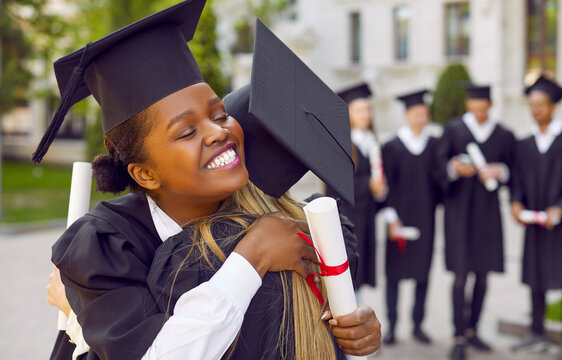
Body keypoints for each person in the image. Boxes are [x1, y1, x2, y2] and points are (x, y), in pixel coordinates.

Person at [39, 2, 381, 359]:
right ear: (145, 173)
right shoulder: (106, 245)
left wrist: (353, 325)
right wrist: (253, 255)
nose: (218, 131)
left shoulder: (268, 209)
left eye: (220, 114)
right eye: (187, 131)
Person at [436, 84, 516, 360]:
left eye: (484, 108)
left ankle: (473, 330)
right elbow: (440, 166)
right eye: (475, 107)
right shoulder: (454, 129)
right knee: (460, 276)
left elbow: (514, 170)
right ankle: (458, 335)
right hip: (459, 213)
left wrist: (500, 170)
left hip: (487, 214)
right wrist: (454, 168)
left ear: (490, 106)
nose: (480, 113)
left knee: (483, 274)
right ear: (469, 105)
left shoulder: (503, 135)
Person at [381, 89, 441, 345]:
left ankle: (418, 324)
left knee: (422, 275)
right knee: (394, 276)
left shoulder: (434, 146)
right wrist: (391, 218)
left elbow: (440, 186)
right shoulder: (392, 147)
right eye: (416, 114)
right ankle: (392, 326)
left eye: (424, 114)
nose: (420, 118)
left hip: (425, 219)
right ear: (407, 115)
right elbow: (385, 188)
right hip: (398, 221)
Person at [510, 75, 562, 358]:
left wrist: (560, 208)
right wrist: (516, 203)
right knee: (535, 275)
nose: (536, 110)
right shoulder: (525, 143)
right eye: (532, 104)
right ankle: (537, 332)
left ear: (553, 106)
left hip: (559, 222)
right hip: (534, 221)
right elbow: (517, 179)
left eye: (541, 104)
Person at [325, 83, 387, 291]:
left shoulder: (371, 143)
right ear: (348, 113)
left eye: (368, 110)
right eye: (359, 110)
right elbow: (336, 184)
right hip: (347, 219)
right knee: (349, 273)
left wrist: (380, 190)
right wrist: (368, 184)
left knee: (360, 275)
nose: (365, 115)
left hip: (366, 216)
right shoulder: (341, 143)